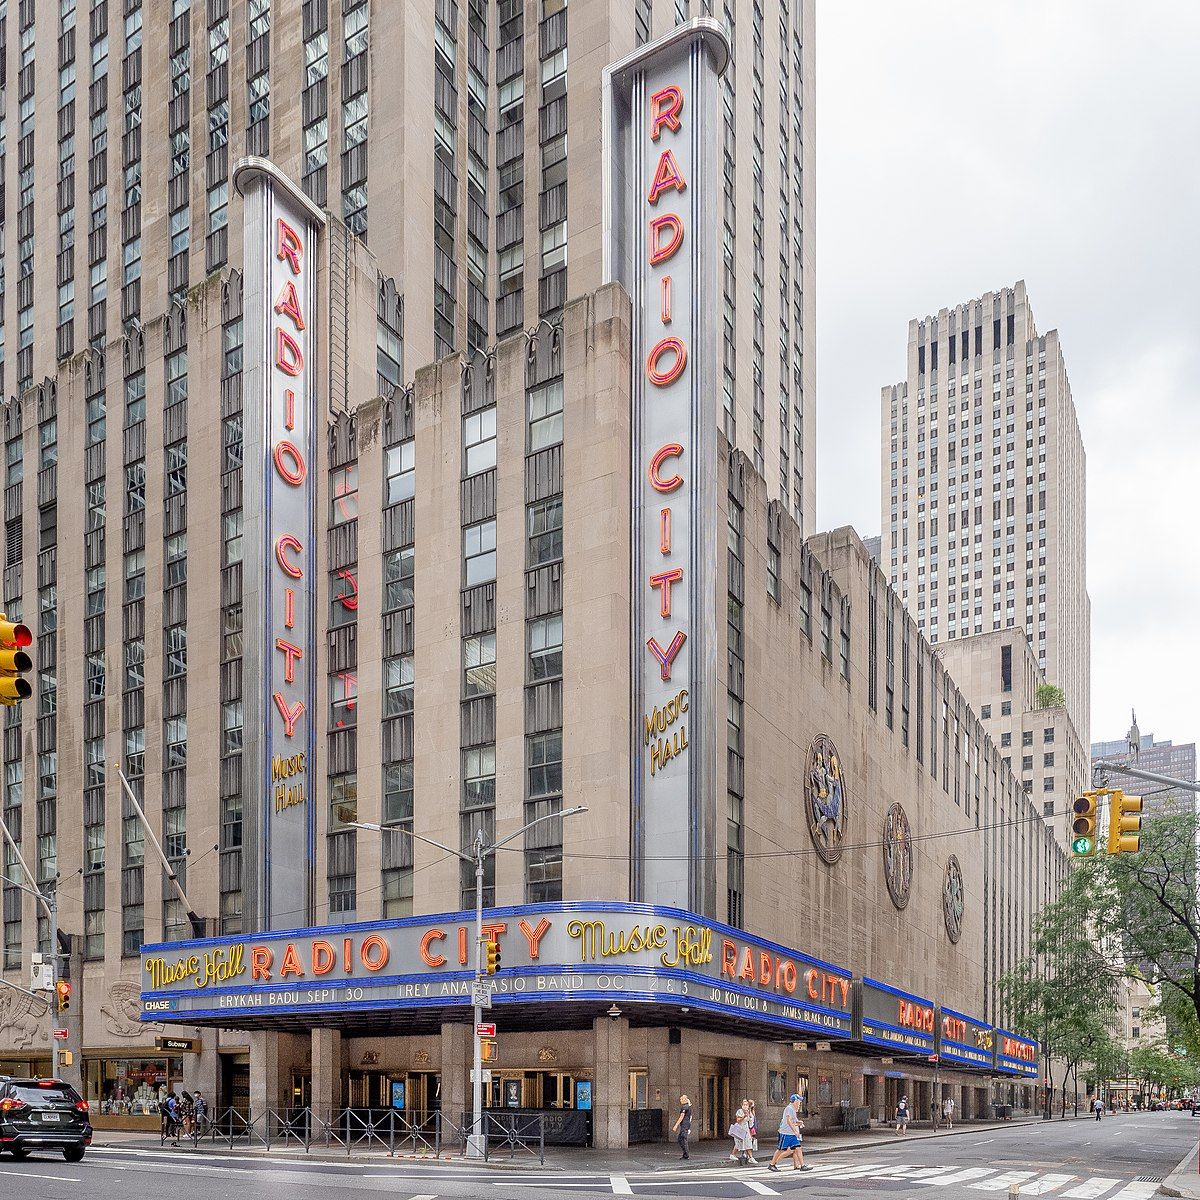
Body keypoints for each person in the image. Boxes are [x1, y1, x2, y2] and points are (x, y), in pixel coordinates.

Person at [767, 1093, 812, 1173]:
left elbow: (792, 1121)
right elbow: (788, 1121)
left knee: (798, 1148)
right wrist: (795, 1130)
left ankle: (802, 1165)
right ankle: (772, 1164)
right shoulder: (789, 1108)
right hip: (786, 1133)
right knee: (781, 1149)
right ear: (795, 1101)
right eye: (799, 1101)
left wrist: (798, 1123)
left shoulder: (792, 1109)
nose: (800, 1103)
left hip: (791, 1134)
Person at [672, 1095, 692, 1160]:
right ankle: (685, 1154)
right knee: (680, 1139)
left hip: (684, 1125)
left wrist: (676, 1125)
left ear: (685, 1099)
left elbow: (681, 1116)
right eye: (680, 1099)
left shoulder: (684, 1107)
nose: (680, 1101)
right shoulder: (688, 1107)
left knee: (683, 1139)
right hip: (686, 1124)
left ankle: (686, 1155)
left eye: (682, 1099)